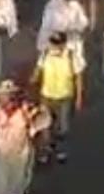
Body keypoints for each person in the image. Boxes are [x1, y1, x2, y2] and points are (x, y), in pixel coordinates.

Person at [0, 80, 35, 194]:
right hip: (0, 156)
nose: (4, 100)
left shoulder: (25, 112)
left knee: (17, 184)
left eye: (7, 96)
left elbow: (37, 127)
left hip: (20, 155)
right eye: (2, 96)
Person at [34, 31, 82, 163]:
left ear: (63, 44)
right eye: (52, 43)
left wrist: (79, 98)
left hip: (64, 97)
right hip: (47, 96)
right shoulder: (45, 54)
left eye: (57, 43)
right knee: (45, 126)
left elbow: (78, 77)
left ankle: (61, 150)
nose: (54, 46)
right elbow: (37, 72)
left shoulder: (71, 56)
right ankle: (46, 150)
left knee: (63, 126)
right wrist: (33, 80)